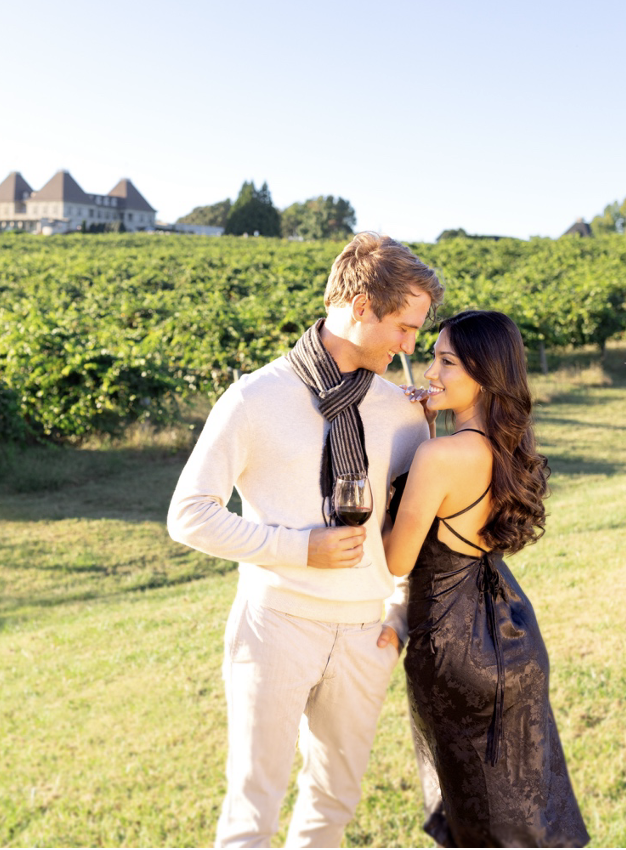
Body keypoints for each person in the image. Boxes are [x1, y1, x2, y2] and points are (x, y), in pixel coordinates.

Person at [167, 233, 445, 848]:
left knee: (335, 801)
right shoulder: (253, 398)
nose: (410, 346)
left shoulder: (402, 412)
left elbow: (416, 528)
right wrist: (300, 548)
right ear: (360, 306)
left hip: (365, 635)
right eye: (404, 327)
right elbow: (188, 514)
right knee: (253, 808)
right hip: (274, 627)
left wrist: (398, 616)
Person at [384, 310, 590, 847]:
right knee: (526, 813)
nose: (430, 372)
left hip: (455, 649)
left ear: (484, 373)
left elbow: (397, 560)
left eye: (446, 361)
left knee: (477, 818)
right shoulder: (504, 446)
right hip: (512, 635)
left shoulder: (439, 456)